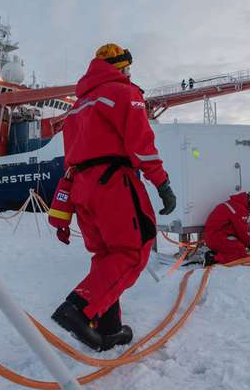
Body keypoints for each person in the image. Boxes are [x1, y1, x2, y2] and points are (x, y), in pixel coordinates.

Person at [51, 43, 176, 352]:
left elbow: (71, 163)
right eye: (127, 69)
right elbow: (141, 144)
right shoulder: (124, 93)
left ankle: (109, 329)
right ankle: (78, 308)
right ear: (120, 68)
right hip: (112, 183)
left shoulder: (76, 108)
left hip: (82, 188)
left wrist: (63, 214)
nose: (129, 74)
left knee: (107, 255)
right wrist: (162, 184)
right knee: (133, 251)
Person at [202, 191, 250, 266]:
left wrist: (246, 244)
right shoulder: (239, 209)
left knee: (238, 246)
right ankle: (213, 259)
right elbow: (242, 231)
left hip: (213, 236)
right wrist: (247, 245)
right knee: (241, 252)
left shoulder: (234, 204)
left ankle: (217, 253)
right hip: (215, 238)